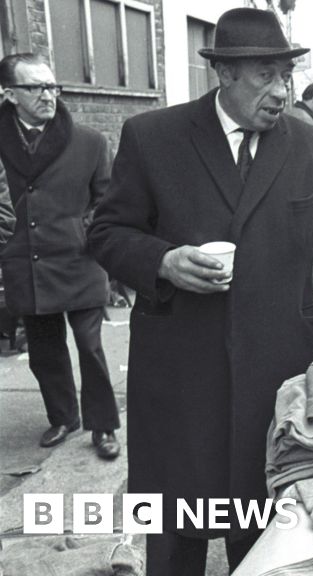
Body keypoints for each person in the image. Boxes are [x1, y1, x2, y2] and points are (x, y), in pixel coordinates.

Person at [86, 9, 313, 575]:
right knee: (174, 521)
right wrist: (162, 261)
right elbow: (107, 232)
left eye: (286, 75)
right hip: (179, 368)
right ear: (225, 75)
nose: (282, 91)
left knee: (265, 528)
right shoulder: (154, 137)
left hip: (275, 369)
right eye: (266, 76)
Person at [0, 53, 121, 459]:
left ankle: (103, 426)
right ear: (9, 93)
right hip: (24, 262)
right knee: (45, 350)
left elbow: (107, 204)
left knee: (90, 346)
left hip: (78, 260)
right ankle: (63, 416)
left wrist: (85, 233)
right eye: (35, 88)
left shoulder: (89, 141)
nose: (48, 95)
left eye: (52, 86)